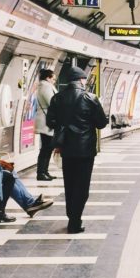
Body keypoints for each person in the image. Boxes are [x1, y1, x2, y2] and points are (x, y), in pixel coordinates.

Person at [47, 66, 108, 233]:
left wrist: (63, 123)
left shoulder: (57, 98)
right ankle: (75, 221)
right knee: (82, 186)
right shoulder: (91, 98)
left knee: (70, 184)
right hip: (85, 150)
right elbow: (101, 123)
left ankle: (71, 217)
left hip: (66, 148)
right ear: (82, 80)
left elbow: (50, 122)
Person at [0, 100, 54, 218]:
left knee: (10, 171)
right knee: (8, 176)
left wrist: (0, 162)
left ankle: (30, 203)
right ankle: (21, 205)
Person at [35, 68, 57, 181]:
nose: (54, 81)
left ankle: (44, 171)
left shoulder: (43, 86)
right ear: (47, 78)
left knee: (48, 148)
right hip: (46, 121)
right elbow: (52, 102)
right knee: (46, 148)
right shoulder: (45, 86)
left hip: (45, 120)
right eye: (53, 79)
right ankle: (41, 172)